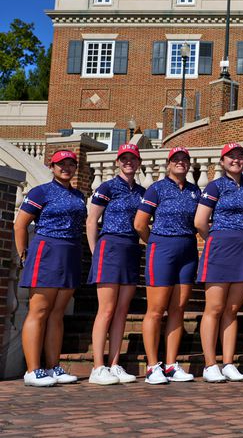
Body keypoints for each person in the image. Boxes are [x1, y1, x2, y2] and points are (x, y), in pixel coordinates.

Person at [15, 150, 86, 387]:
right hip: (47, 251)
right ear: (52, 166)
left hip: (71, 251)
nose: (66, 167)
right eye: (60, 164)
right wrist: (23, 253)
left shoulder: (78, 195)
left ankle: (53, 366)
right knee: (40, 310)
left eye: (70, 164)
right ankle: (33, 370)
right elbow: (20, 225)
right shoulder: (40, 191)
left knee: (58, 312)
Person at [194, 143, 243, 383]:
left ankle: (229, 362)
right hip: (220, 247)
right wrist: (217, 238)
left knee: (233, 310)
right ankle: (210, 364)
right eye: (231, 157)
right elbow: (200, 221)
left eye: (240, 157)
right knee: (214, 308)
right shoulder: (215, 186)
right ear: (222, 162)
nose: (236, 160)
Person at [134, 146, 200, 385]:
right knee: (156, 308)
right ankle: (153, 366)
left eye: (184, 159)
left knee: (178, 308)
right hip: (162, 248)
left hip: (188, 250)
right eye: (176, 159)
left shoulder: (194, 191)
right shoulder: (157, 188)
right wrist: (156, 243)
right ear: (168, 163)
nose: (180, 162)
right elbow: (140, 223)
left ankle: (171, 364)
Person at [86, 144, 145, 385]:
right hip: (109, 246)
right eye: (124, 158)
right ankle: (98, 366)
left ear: (138, 162)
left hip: (131, 248)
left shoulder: (142, 191)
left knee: (122, 310)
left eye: (133, 158)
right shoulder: (107, 187)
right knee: (107, 310)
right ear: (118, 162)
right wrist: (95, 251)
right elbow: (92, 220)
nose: (128, 162)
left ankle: (114, 363)